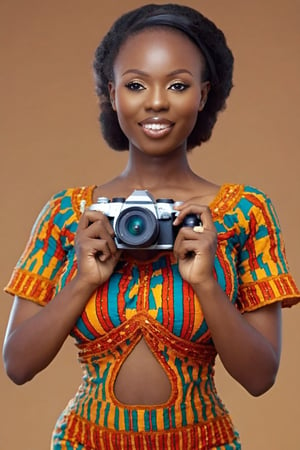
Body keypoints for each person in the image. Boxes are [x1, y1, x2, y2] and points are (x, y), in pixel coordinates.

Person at [3, 3, 300, 449]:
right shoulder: (69, 213)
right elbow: (17, 366)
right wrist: (83, 281)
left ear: (203, 94)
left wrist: (206, 285)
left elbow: (261, 378)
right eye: (137, 84)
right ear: (113, 92)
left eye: (177, 85)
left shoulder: (243, 212)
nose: (157, 101)